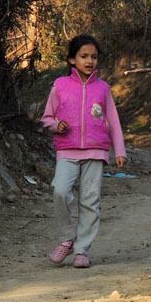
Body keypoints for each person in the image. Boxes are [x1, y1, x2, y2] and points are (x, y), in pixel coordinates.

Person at [42, 34, 127, 268]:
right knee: (60, 191)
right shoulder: (60, 86)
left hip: (96, 151)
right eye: (84, 56)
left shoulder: (103, 88)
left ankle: (82, 250)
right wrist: (55, 125)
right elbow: (47, 117)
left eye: (94, 57)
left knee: (90, 201)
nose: (89, 61)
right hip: (67, 150)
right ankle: (67, 239)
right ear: (72, 59)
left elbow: (114, 121)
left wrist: (119, 151)